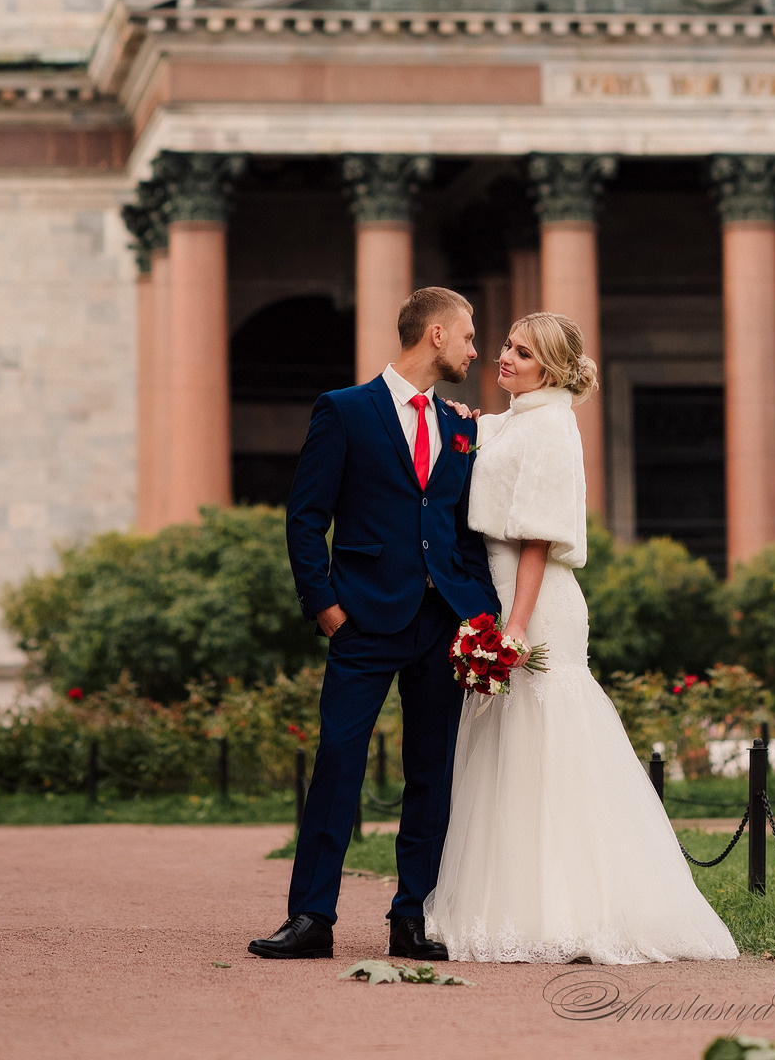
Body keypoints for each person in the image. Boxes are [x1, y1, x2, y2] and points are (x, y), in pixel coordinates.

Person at [424, 312, 738, 964]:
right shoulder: (517, 420)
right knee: (507, 748)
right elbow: (484, 440)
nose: (504, 356)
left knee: (547, 742)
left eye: (522, 353)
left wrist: (514, 626)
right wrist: (463, 420)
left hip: (535, 600)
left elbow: (537, 538)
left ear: (551, 369)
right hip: (499, 589)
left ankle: (571, 909)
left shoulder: (550, 427)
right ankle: (512, 904)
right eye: (507, 345)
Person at [248, 286, 500, 962]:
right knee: (338, 762)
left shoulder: (460, 427)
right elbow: (306, 518)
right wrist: (326, 606)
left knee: (431, 774)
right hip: (362, 619)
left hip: (442, 624)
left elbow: (465, 531)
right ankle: (310, 918)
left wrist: (480, 612)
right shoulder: (345, 410)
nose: (475, 350)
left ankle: (412, 917)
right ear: (436, 334)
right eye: (468, 336)